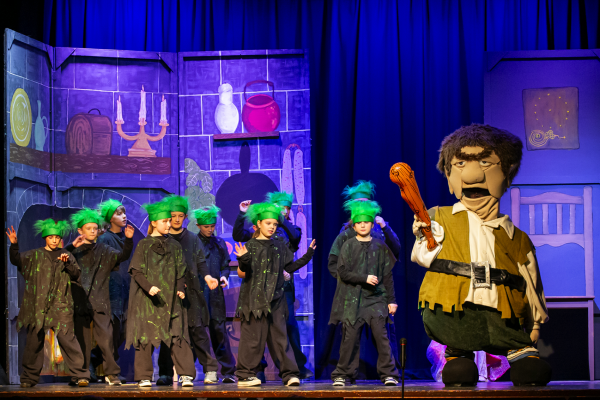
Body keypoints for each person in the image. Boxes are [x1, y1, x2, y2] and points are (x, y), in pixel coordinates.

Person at [411, 123, 551, 386]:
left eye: (486, 163)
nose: (472, 176)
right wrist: (425, 235)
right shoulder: (440, 218)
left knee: (532, 374)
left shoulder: (516, 237)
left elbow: (532, 283)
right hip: (455, 313)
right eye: (460, 164)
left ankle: (518, 351)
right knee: (459, 373)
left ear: (507, 174)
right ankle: (458, 353)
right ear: (449, 174)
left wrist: (534, 324)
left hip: (503, 316)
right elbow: (424, 256)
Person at [233, 202, 316, 387]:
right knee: (253, 338)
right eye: (268, 223)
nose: (271, 227)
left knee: (281, 338)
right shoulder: (251, 245)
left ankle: (290, 374)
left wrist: (308, 255)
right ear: (259, 224)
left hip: (276, 299)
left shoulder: (279, 245)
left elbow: (289, 266)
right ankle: (245, 375)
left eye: (275, 224)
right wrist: (243, 259)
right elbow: (245, 270)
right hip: (254, 300)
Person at [6, 220, 90, 387]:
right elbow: (17, 261)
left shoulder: (66, 255)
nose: (54, 240)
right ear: (45, 237)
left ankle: (81, 375)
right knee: (33, 343)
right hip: (39, 306)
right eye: (51, 237)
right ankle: (29, 378)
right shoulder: (35, 255)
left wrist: (67, 264)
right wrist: (14, 245)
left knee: (68, 340)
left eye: (57, 237)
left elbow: (76, 275)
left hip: (61, 305)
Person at [125, 199, 197, 388]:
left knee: (178, 335)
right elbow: (136, 271)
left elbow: (181, 271)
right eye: (165, 221)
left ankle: (186, 374)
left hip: (172, 300)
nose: (169, 224)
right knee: (145, 337)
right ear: (154, 223)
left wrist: (180, 288)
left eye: (169, 221)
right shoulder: (144, 245)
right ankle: (144, 376)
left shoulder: (175, 246)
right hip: (148, 301)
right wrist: (149, 287)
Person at [329, 201, 399, 386]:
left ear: (372, 224)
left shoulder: (380, 246)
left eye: (366, 222)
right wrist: (364, 278)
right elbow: (342, 272)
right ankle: (342, 374)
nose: (362, 225)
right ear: (354, 225)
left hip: (376, 299)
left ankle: (389, 373)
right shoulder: (348, 245)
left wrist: (392, 300)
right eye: (359, 222)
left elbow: (387, 275)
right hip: (353, 298)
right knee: (350, 339)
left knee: (381, 337)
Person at [156, 196, 221, 386]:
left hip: (191, 290)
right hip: (169, 292)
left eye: (180, 216)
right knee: (168, 333)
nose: (176, 220)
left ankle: (210, 369)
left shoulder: (192, 238)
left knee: (197, 330)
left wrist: (207, 277)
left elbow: (201, 261)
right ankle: (165, 372)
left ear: (185, 217)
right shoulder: (162, 239)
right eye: (173, 216)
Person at [66, 208, 134, 386]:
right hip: (80, 300)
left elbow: (122, 256)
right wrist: (72, 246)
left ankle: (111, 374)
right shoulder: (76, 250)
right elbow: (59, 259)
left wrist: (128, 240)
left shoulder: (104, 249)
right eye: (88, 228)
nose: (92, 231)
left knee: (107, 338)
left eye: (95, 228)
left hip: (100, 300)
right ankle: (81, 374)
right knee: (82, 340)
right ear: (80, 230)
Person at [195, 205, 238, 383]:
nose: (210, 229)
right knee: (196, 333)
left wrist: (224, 277)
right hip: (197, 294)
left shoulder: (219, 243)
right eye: (206, 226)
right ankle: (189, 372)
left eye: (212, 226)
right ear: (198, 225)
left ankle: (228, 372)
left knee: (219, 332)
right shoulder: (193, 243)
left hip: (215, 296)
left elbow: (225, 266)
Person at [96, 199, 133, 383]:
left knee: (123, 333)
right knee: (112, 332)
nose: (124, 216)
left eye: (124, 212)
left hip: (126, 290)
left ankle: (95, 360)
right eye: (119, 213)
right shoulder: (104, 239)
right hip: (112, 291)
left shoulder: (126, 237)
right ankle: (110, 371)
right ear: (110, 218)